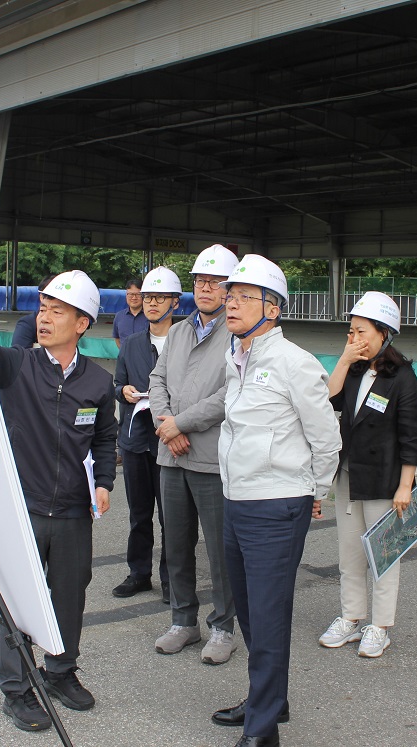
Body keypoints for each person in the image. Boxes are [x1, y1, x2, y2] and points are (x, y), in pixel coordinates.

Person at [212, 254, 342, 747]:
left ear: (274, 307)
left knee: (266, 616)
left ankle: (262, 732)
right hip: (236, 500)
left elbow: (326, 438)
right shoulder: (236, 356)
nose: (232, 304)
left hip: (276, 505)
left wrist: (317, 490)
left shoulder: (294, 362)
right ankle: (271, 699)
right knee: (248, 610)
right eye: (231, 295)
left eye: (245, 297)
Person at [0, 270, 118, 733]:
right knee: (19, 600)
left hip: (75, 513)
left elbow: (104, 437)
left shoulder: (98, 383)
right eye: (43, 309)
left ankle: (59, 672)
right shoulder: (18, 365)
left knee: (69, 595)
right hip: (25, 507)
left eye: (56, 311)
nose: (45, 318)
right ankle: (16, 690)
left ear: (81, 323)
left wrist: (104, 482)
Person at [318, 291, 417, 658]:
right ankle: (351, 617)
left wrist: (405, 486)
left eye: (360, 331)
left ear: (384, 333)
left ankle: (379, 626)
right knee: (349, 555)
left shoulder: (403, 378)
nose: (354, 338)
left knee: (384, 556)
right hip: (349, 476)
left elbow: (412, 438)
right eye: (350, 331)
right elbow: (326, 400)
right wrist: (345, 361)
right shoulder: (355, 370)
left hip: (384, 480)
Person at [148, 243, 238, 665]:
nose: (206, 288)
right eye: (201, 281)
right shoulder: (180, 331)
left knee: (220, 549)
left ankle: (223, 628)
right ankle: (183, 621)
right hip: (171, 455)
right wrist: (166, 424)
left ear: (229, 289)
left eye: (216, 282)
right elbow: (157, 378)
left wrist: (180, 425)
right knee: (176, 543)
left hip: (208, 458)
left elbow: (229, 394)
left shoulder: (237, 334)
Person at [112, 266, 181, 602]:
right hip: (136, 439)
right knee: (139, 513)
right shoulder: (132, 343)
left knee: (171, 517)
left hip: (170, 442)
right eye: (148, 297)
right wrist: (123, 391)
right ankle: (139, 573)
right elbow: (116, 383)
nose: (151, 303)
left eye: (159, 297)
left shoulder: (185, 342)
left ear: (175, 303)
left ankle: (171, 579)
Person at [12, 276, 53, 349]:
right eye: (51, 296)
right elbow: (19, 356)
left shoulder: (69, 322)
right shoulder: (27, 323)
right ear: (41, 297)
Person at [112, 277, 147, 348]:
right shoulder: (119, 316)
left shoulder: (150, 316)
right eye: (131, 294)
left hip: (145, 358)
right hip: (125, 358)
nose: (134, 298)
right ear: (126, 295)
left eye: (138, 294)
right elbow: (117, 338)